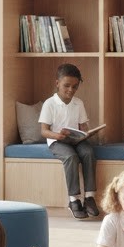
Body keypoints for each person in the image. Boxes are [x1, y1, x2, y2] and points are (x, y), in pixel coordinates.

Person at [39, 63, 99, 220]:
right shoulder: (49, 104)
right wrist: (57, 136)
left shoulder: (78, 103)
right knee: (71, 157)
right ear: (57, 83)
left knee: (88, 152)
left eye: (75, 87)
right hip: (57, 141)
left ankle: (90, 197)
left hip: (75, 139)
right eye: (66, 86)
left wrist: (87, 133)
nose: (70, 90)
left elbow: (83, 126)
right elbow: (44, 131)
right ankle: (74, 200)